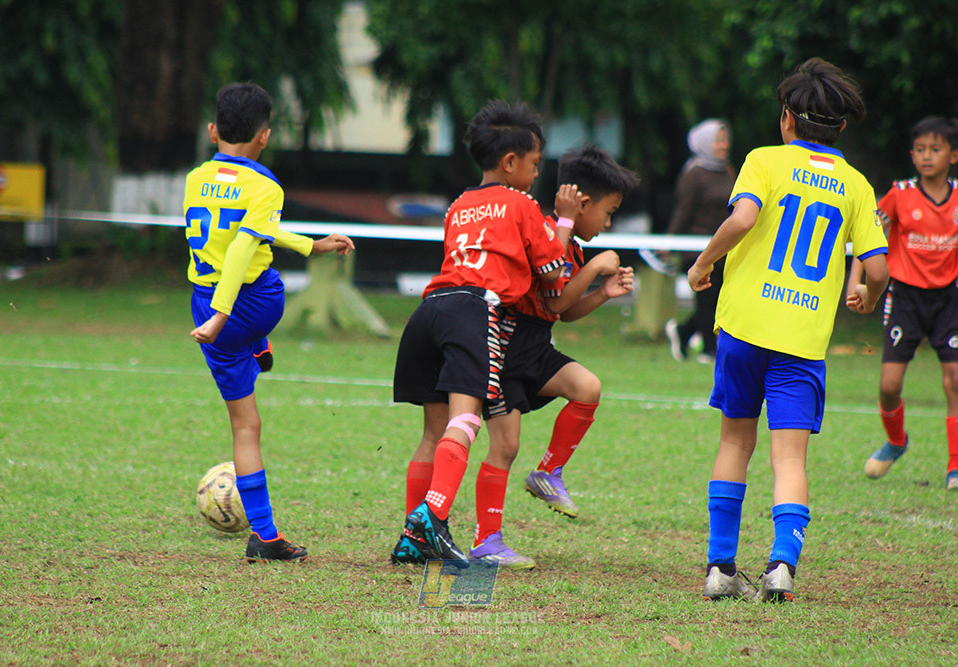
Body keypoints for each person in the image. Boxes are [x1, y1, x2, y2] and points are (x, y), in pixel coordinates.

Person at [687, 58, 889, 602]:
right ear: (841, 127)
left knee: (734, 440)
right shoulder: (856, 185)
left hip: (744, 327)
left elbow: (743, 219)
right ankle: (781, 567)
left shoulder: (764, 161)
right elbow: (878, 270)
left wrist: (703, 263)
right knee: (791, 457)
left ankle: (720, 569)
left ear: (785, 120)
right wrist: (866, 298)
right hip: (802, 340)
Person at [390, 100, 582, 565]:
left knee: (433, 433)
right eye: (535, 164)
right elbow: (554, 273)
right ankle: (431, 519)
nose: (537, 173)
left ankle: (412, 535)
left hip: (429, 310)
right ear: (511, 162)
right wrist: (567, 223)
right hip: (474, 312)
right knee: (467, 420)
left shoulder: (458, 206)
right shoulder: (521, 204)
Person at [184, 82, 354, 562]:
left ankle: (264, 534)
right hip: (247, 305)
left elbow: (245, 232)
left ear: (213, 130)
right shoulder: (265, 184)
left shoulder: (196, 178)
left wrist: (310, 243)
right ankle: (257, 342)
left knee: (245, 426)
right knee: (268, 277)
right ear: (264, 137)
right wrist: (225, 313)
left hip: (204, 306)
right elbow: (244, 246)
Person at [468, 146, 639, 569]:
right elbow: (557, 295)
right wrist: (595, 268)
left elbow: (560, 312)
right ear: (582, 204)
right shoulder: (544, 231)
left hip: (536, 346)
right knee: (504, 446)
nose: (608, 222)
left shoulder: (574, 248)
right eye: (609, 211)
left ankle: (548, 473)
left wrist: (602, 292)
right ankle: (486, 540)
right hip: (505, 349)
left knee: (587, 388)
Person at [851, 116, 958, 489]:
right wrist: (857, 283)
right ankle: (897, 441)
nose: (927, 156)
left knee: (955, 380)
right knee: (889, 385)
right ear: (912, 154)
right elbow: (867, 237)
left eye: (936, 149)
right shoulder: (899, 194)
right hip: (906, 298)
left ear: (953, 154)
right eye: (920, 149)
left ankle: (955, 466)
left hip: (949, 299)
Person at [664, 119, 736, 364]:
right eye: (718, 140)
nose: (723, 145)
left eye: (725, 139)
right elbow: (683, 210)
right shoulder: (694, 172)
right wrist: (669, 241)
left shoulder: (727, 170)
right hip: (696, 247)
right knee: (707, 297)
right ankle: (709, 349)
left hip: (723, 247)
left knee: (719, 299)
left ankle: (683, 332)